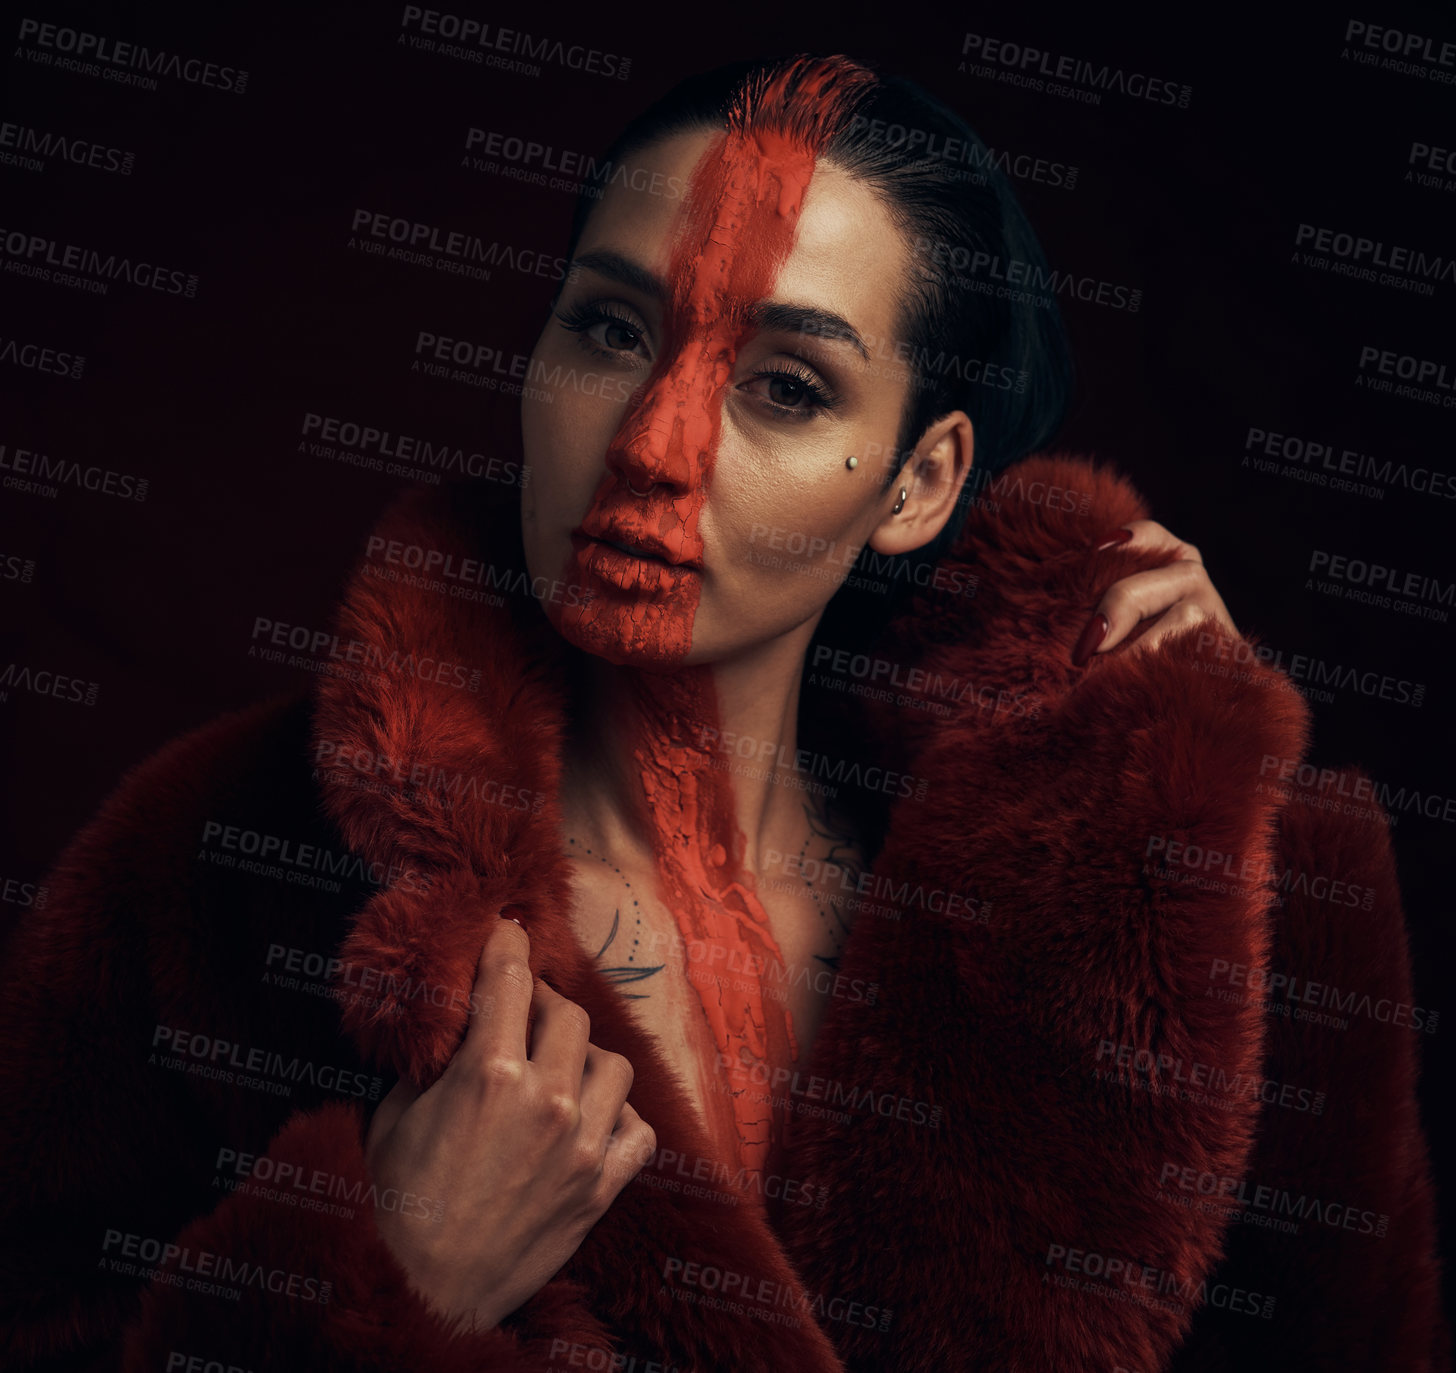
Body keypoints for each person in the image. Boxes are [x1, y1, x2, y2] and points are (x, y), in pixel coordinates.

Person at [0, 52, 1445, 1373]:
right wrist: (381, 1269)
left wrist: (1186, 813)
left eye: (788, 386)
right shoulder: (214, 858)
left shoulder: (1184, 902)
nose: (651, 444)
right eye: (614, 327)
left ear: (921, 482)